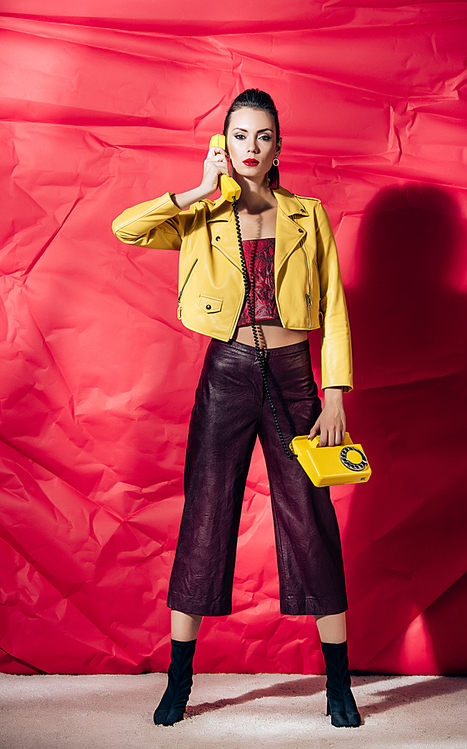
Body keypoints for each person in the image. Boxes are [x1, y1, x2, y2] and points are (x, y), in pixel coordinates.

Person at [112, 89, 361, 729]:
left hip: (295, 376)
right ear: (225, 143)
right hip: (225, 374)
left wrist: (334, 395)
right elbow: (126, 228)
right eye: (241, 136)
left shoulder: (308, 216)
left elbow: (333, 308)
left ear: (280, 146)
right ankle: (178, 680)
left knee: (312, 517)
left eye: (264, 137)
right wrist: (199, 190)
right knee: (206, 512)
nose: (253, 148)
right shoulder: (203, 213)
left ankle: (339, 685)